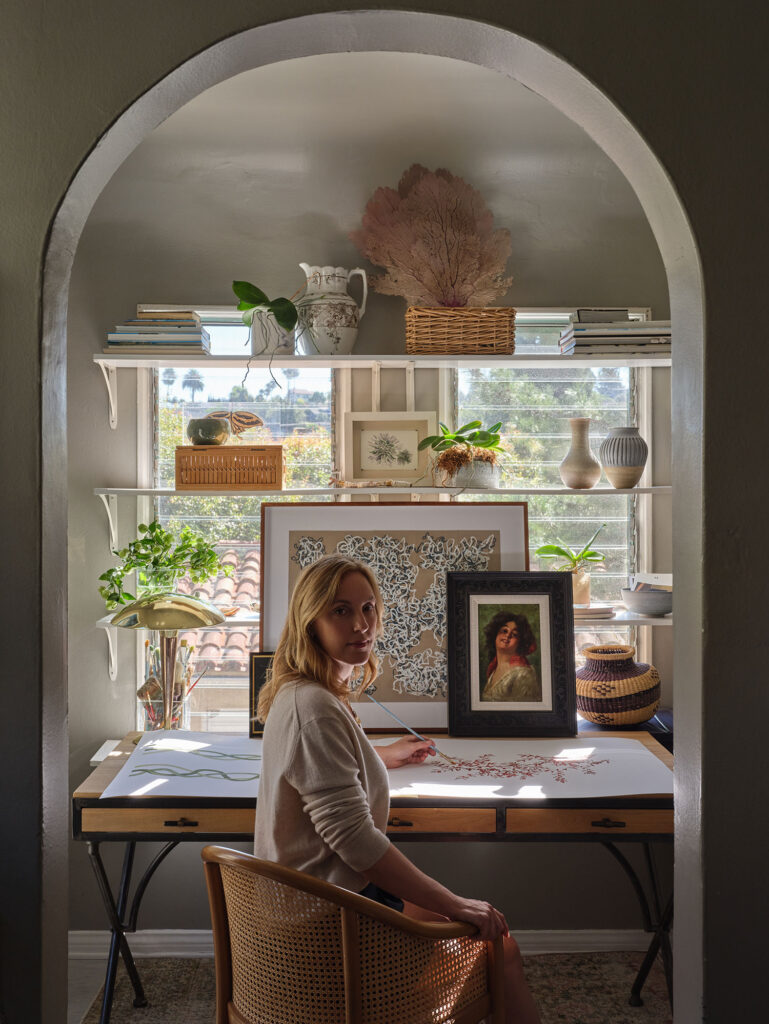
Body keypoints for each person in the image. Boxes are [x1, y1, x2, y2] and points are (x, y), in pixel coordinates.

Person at [254, 553, 540, 1024]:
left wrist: (383, 756)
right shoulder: (315, 707)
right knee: (497, 949)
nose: (361, 624)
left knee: (485, 940)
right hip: (328, 924)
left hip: (312, 903)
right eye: (340, 611)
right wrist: (452, 902)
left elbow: (321, 771)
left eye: (367, 608)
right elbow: (356, 842)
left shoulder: (305, 692)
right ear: (310, 622)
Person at [481, 611, 541, 703]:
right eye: (504, 631)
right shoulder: (493, 669)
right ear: (495, 635)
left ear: (520, 643)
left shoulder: (523, 675)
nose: (508, 635)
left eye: (514, 635)